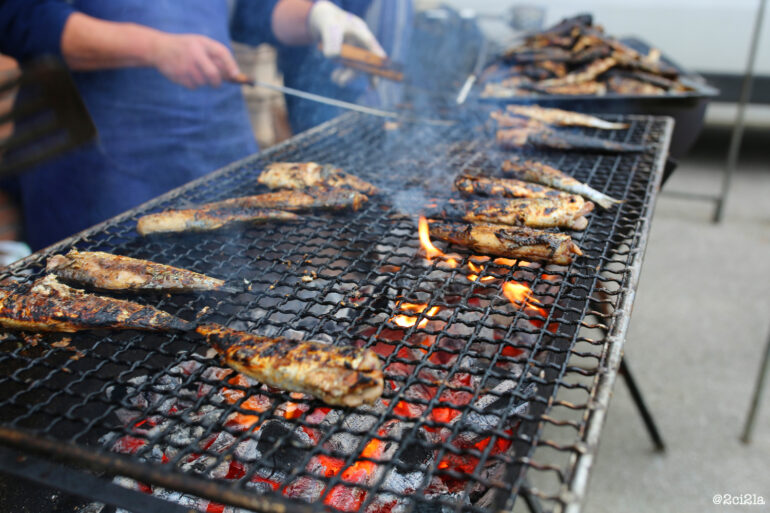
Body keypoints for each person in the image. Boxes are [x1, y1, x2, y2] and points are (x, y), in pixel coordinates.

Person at [0, 0, 386, 250]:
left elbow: (253, 10)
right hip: (102, 166)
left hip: (219, 148)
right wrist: (155, 48)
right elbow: (21, 18)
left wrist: (316, 16)